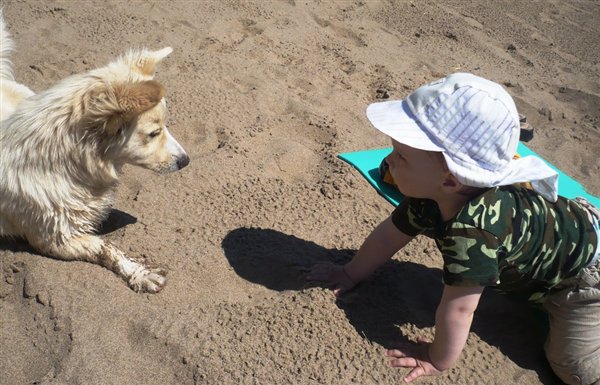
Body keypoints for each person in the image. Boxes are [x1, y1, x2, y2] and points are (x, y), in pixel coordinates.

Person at [307, 73, 600, 385]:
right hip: (563, 227)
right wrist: (351, 272)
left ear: (450, 180)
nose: (389, 160)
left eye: (401, 156)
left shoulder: (473, 232)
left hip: (581, 278)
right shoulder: (433, 195)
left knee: (574, 369)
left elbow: (459, 310)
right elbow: (390, 234)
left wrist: (437, 358)